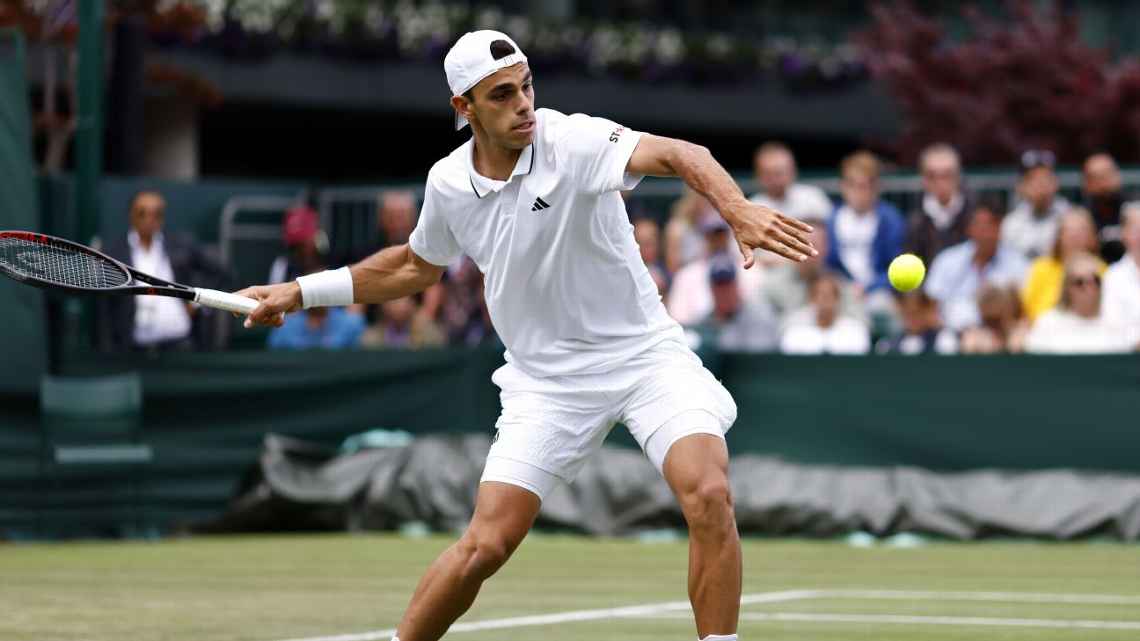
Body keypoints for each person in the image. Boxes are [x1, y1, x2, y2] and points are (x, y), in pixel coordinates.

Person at [236, 30, 816, 641]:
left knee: (708, 493)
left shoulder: (574, 141)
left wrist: (738, 209)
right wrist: (300, 291)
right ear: (465, 108)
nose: (524, 104)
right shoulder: (448, 184)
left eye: (527, 86)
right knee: (486, 545)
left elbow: (681, 154)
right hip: (546, 384)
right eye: (502, 94)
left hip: (646, 359)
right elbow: (414, 266)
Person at [95, 190, 227, 352]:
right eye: (142, 213)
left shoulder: (180, 245)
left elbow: (220, 271)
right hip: (131, 349)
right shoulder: (114, 251)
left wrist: (196, 303)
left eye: (156, 214)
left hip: (180, 345)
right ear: (132, 215)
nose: (149, 219)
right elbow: (104, 306)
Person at [925, 200, 1029, 331]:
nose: (986, 233)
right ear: (970, 228)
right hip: (951, 336)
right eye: (981, 226)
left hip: (1001, 335)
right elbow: (931, 305)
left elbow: (1022, 311)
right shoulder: (947, 261)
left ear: (1000, 229)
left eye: (992, 226)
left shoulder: (1018, 264)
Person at [825, 150, 906, 297]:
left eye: (863, 185)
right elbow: (829, 264)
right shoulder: (831, 219)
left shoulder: (890, 219)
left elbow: (896, 267)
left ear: (876, 187)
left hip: (880, 292)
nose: (857, 192)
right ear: (842, 186)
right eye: (851, 184)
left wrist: (871, 287)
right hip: (840, 292)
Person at [761, 210, 863, 323]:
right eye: (803, 243)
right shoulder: (772, 285)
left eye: (816, 244)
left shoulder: (839, 284)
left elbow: (860, 324)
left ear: (826, 248)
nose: (808, 250)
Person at [1025, 252, 1135, 354]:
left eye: (1096, 280)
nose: (1090, 288)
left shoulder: (1119, 320)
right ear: (1067, 287)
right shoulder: (1048, 322)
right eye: (1080, 282)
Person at [667, 213, 765, 326]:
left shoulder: (751, 270)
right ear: (704, 237)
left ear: (730, 235)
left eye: (721, 234)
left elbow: (759, 314)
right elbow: (678, 319)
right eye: (712, 235)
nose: (718, 240)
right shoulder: (686, 275)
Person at [1020, 208, 1105, 323]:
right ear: (1059, 236)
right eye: (1069, 231)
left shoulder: (1101, 270)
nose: (1075, 237)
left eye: (1081, 231)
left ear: (1092, 237)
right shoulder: (1041, 268)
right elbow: (1025, 312)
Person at [690, 252, 779, 353]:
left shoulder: (759, 316)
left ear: (736, 286)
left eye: (728, 285)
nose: (724, 292)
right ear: (711, 289)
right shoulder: (705, 322)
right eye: (719, 286)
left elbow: (758, 358)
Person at [904, 143, 973, 264]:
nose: (940, 182)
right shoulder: (914, 221)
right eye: (932, 176)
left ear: (958, 176)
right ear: (923, 179)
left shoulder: (975, 216)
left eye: (947, 175)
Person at [1001, 149, 1071, 260]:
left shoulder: (1070, 217)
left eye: (1046, 178)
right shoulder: (1011, 223)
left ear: (1056, 182)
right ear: (1021, 186)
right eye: (1033, 179)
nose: (1041, 185)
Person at [780, 273, 870, 355]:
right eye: (820, 295)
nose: (824, 300)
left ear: (837, 299)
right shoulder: (795, 332)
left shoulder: (854, 331)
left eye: (829, 295)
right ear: (811, 299)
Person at [749, 141, 833, 224]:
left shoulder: (813, 197)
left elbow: (830, 232)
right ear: (758, 175)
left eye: (780, 172)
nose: (775, 179)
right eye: (769, 173)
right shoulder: (752, 208)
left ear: (793, 171)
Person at [874, 290, 957, 355]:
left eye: (916, 312)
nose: (912, 318)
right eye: (907, 312)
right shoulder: (887, 345)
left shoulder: (943, 339)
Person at [1081, 152, 1129, 262]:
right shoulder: (1081, 217)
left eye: (1107, 174)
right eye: (1095, 177)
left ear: (1118, 175)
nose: (1103, 183)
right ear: (1085, 183)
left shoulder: (1134, 211)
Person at [1101, 203, 1140, 336]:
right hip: (1130, 355)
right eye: (1137, 230)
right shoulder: (1113, 277)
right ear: (1124, 234)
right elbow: (1113, 328)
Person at [959, 284, 1028, 354]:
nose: (994, 326)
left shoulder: (1022, 330)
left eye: (996, 320)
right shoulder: (976, 335)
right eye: (989, 321)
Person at [268, 202, 326, 284]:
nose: (300, 253)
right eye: (294, 247)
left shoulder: (337, 269)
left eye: (304, 245)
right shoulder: (283, 268)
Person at [360, 296, 446, 349]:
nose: (400, 304)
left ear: (412, 303)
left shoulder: (428, 333)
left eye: (404, 298)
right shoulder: (370, 337)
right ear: (383, 305)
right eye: (394, 299)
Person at [633, 214, 669, 296]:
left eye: (648, 243)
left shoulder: (669, 272)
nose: (643, 248)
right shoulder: (625, 275)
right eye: (639, 243)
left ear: (658, 243)